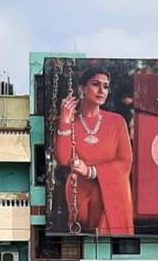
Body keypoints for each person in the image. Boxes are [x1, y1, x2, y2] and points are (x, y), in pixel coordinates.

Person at [55, 66, 134, 235]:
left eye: (105, 86)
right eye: (96, 84)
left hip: (112, 196)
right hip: (80, 195)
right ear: (82, 88)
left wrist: (90, 170)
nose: (101, 91)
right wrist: (65, 120)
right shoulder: (70, 121)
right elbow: (63, 159)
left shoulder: (117, 122)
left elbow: (125, 162)